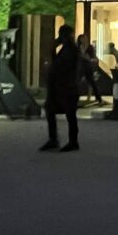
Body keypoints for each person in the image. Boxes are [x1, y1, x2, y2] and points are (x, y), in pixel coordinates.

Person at [43, 24, 81, 152]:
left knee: (70, 115)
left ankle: (73, 141)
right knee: (50, 110)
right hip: (59, 87)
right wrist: (53, 47)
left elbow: (62, 66)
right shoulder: (64, 49)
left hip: (68, 87)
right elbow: (55, 62)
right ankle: (53, 139)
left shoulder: (72, 50)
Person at [77, 33, 104, 105]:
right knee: (77, 82)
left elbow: (94, 58)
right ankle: (75, 98)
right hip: (79, 67)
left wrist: (89, 59)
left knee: (92, 83)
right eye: (83, 39)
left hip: (88, 67)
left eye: (85, 38)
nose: (85, 40)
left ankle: (99, 99)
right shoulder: (78, 47)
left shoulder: (90, 47)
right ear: (80, 40)